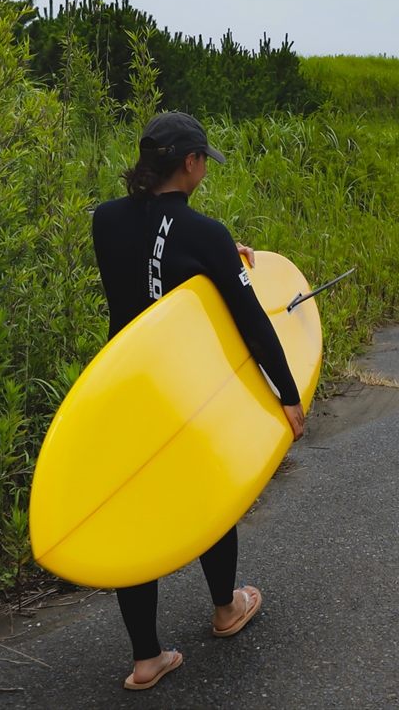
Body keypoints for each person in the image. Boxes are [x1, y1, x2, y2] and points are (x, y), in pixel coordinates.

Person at [90, 112, 307, 690]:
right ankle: (226, 608)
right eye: (204, 160)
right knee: (210, 492)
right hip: (183, 399)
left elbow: (146, 265)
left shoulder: (105, 220)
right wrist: (288, 395)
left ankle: (146, 659)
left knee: (135, 517)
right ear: (190, 163)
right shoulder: (204, 233)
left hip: (127, 394)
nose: (206, 169)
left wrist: (213, 257)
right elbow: (254, 324)